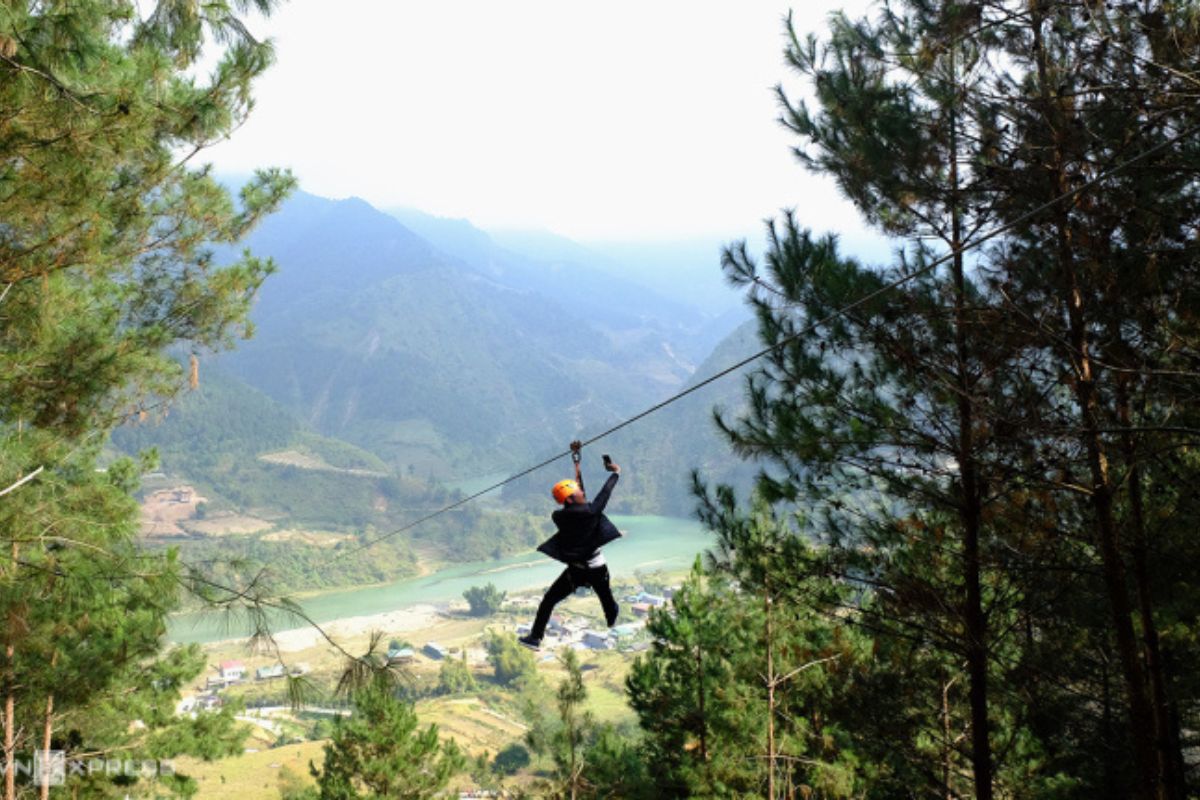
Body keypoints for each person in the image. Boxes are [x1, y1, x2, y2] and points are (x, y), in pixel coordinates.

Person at [518, 454, 623, 650]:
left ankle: (535, 638)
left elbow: (577, 498)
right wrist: (616, 472)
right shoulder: (591, 512)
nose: (583, 493)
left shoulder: (559, 516)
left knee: (549, 600)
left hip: (575, 571)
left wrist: (577, 464)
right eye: (579, 492)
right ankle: (612, 614)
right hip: (596, 569)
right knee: (609, 607)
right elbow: (605, 492)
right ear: (571, 497)